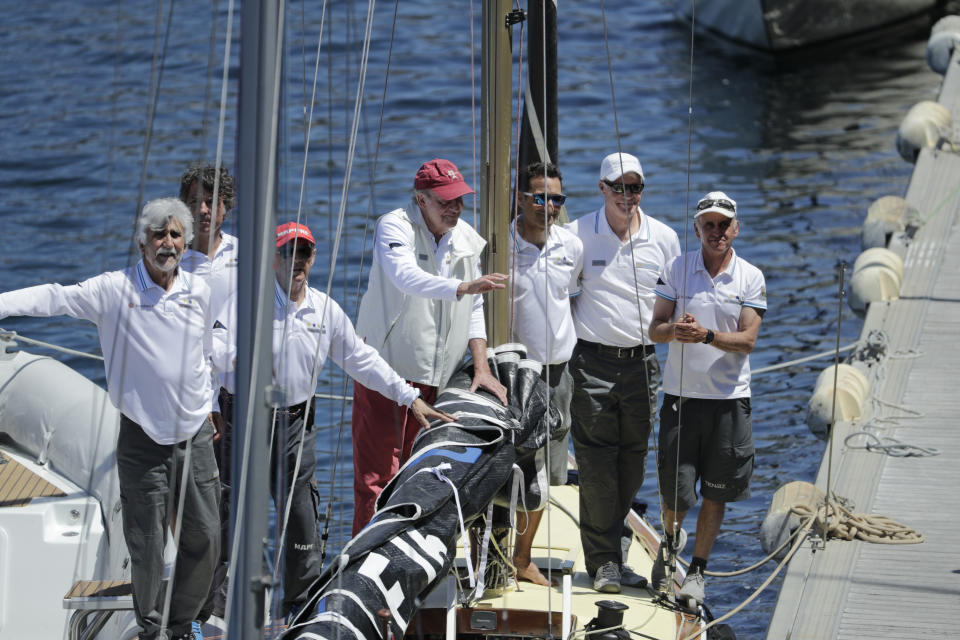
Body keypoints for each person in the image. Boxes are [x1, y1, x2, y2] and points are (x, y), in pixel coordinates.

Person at [0, 198, 219, 640]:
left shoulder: (201, 292)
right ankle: (153, 629)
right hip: (142, 439)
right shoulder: (112, 290)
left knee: (207, 538)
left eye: (176, 235)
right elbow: (54, 298)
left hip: (193, 434)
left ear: (185, 242)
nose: (168, 243)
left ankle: (180, 623)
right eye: (159, 234)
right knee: (147, 546)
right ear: (142, 242)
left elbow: (207, 354)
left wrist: (211, 405)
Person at [212, 222, 455, 617]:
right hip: (242, 422)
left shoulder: (325, 309)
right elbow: (211, 352)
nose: (297, 262)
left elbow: (362, 360)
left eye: (304, 253)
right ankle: (218, 607)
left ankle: (298, 605)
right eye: (288, 253)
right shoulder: (243, 303)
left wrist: (410, 397)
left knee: (302, 517)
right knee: (229, 513)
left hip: (294, 423)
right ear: (274, 259)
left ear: (313, 258)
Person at [351, 158, 508, 535]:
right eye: (445, 201)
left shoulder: (467, 240)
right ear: (421, 201)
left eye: (459, 201)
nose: (455, 208)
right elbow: (405, 277)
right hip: (387, 373)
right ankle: (366, 565)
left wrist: (482, 367)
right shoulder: (394, 225)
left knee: (429, 477)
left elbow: (475, 308)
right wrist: (462, 288)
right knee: (377, 482)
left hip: (440, 380)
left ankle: (417, 571)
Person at [566, 152, 680, 593]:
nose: (627, 196)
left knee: (632, 464)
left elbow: (675, 301)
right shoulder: (576, 235)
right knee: (596, 466)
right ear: (601, 189)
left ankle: (619, 550)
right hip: (590, 362)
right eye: (619, 187)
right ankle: (604, 563)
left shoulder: (664, 239)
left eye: (635, 187)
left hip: (643, 365)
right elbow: (560, 294)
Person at [648, 191, 766, 607]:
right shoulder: (677, 268)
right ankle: (669, 546)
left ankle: (696, 573)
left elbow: (748, 341)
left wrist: (707, 335)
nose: (716, 231)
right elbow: (655, 329)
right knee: (675, 495)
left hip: (730, 402)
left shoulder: (751, 277)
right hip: (681, 399)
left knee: (716, 493)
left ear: (736, 228)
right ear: (697, 228)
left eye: (724, 224)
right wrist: (675, 331)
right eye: (708, 224)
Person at [508, 161, 582, 586]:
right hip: (518, 375)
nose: (549, 206)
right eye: (540, 197)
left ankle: (523, 555)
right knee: (514, 466)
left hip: (559, 375)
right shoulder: (502, 248)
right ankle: (507, 555)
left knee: (550, 472)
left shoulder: (569, 247)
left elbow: (570, 293)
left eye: (556, 199)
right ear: (521, 198)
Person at [177, 164, 238, 621]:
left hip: (242, 395)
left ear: (225, 207)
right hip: (200, 402)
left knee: (237, 501)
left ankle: (232, 600)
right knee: (205, 507)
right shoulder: (173, 259)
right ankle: (204, 609)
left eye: (210, 201)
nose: (202, 210)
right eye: (194, 200)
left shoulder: (249, 253)